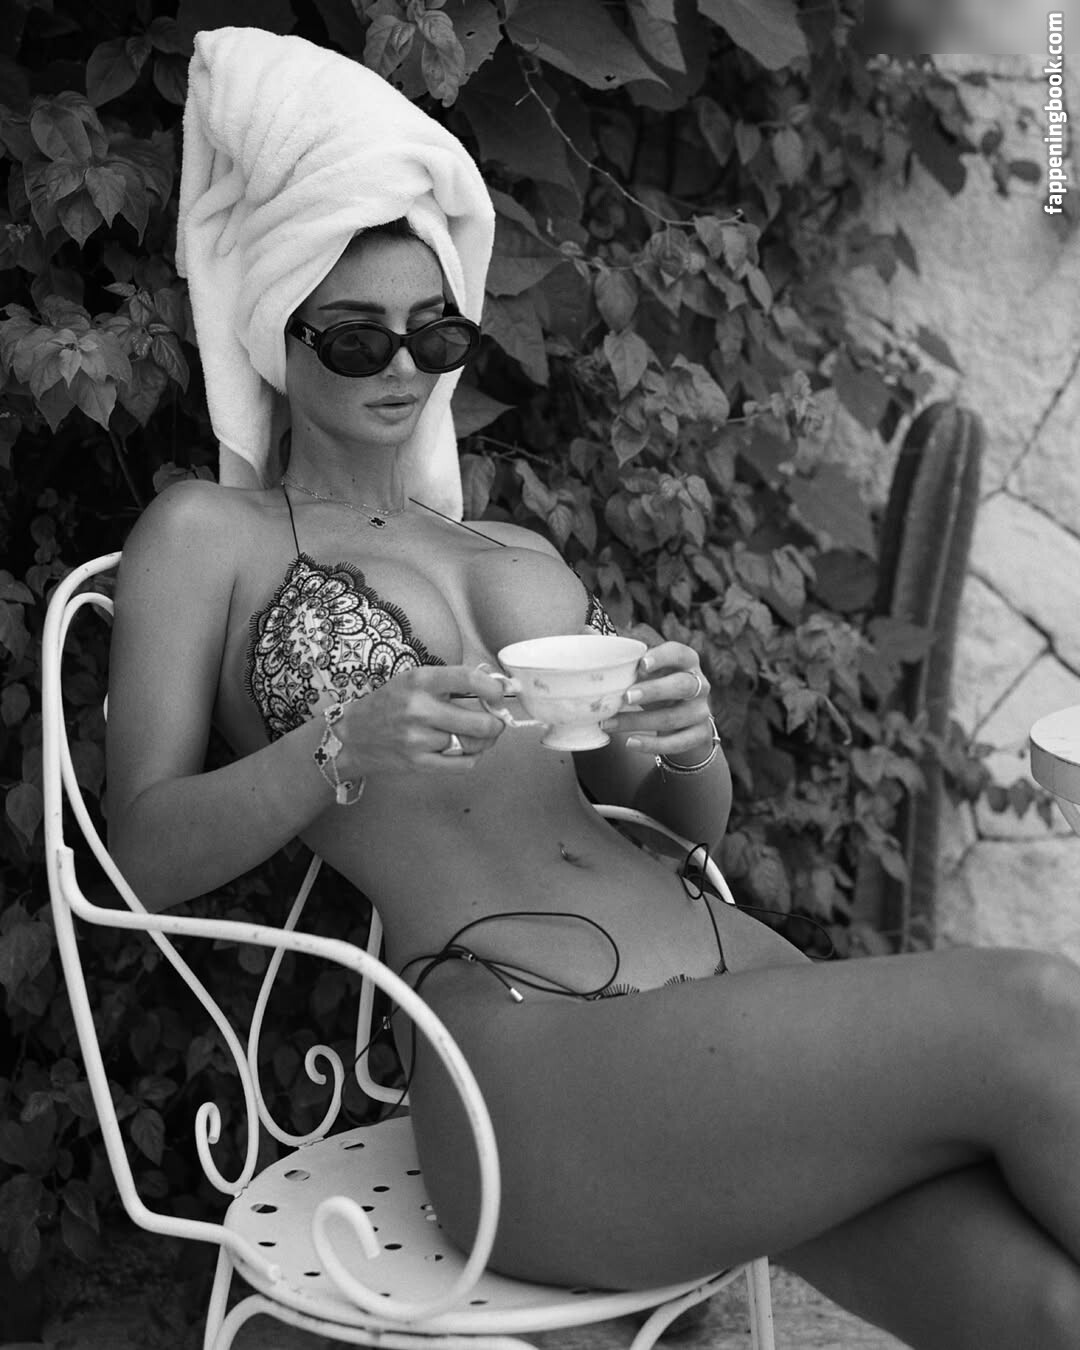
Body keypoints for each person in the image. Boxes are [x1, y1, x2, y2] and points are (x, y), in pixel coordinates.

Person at [106, 28, 1080, 1350]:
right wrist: (341, 742)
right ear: (280, 328)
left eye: (435, 330)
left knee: (1043, 1307)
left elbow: (685, 825)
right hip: (535, 1061)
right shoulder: (206, 538)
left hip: (729, 988)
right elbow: (140, 857)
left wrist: (684, 740)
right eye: (356, 337)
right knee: (1034, 1008)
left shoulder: (515, 554)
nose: (404, 367)